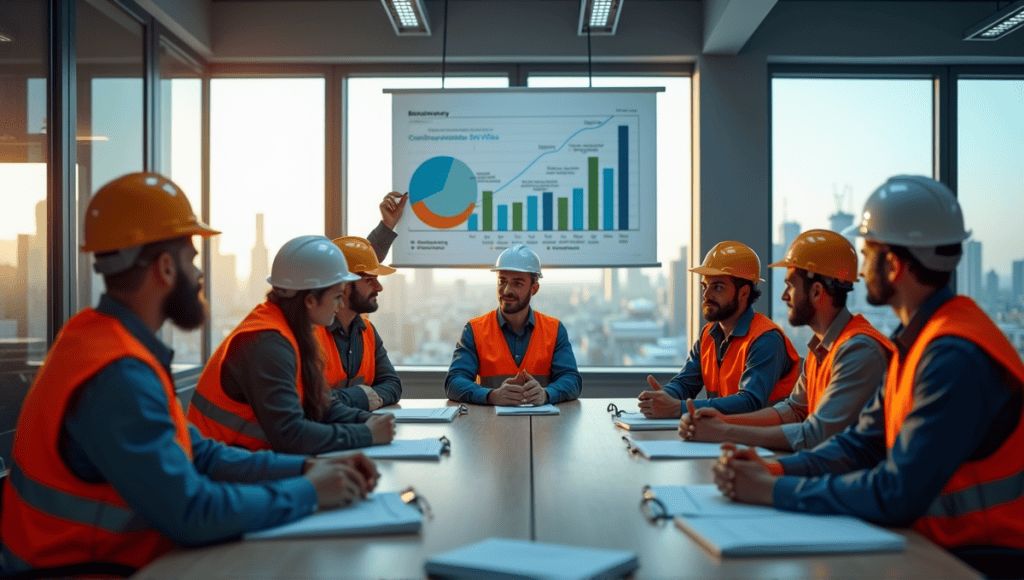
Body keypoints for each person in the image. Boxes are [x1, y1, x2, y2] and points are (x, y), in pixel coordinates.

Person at [0, 173, 378, 576]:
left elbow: (199, 451)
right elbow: (193, 513)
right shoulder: (118, 374)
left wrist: (305, 470)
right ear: (165, 267)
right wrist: (308, 492)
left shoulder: (99, 340)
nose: (199, 275)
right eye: (192, 259)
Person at [713, 176, 1024, 579]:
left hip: (980, 561)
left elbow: (897, 494)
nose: (857, 270)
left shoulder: (953, 357)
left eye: (867, 252)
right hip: (930, 548)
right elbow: (861, 445)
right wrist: (771, 470)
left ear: (893, 266)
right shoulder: (918, 341)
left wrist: (772, 491)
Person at [680, 230, 894, 451]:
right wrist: (723, 421)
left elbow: (815, 435)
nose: (784, 296)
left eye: (790, 286)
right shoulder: (821, 349)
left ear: (817, 292)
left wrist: (724, 432)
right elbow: (793, 411)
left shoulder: (858, 350)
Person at [188, 235, 396, 454]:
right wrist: (367, 434)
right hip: (219, 470)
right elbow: (291, 434)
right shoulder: (267, 343)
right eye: (336, 296)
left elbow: (319, 403)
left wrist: (369, 421)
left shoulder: (293, 332)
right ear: (309, 300)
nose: (341, 303)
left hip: (249, 461)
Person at [638, 241, 800, 419]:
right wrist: (663, 397)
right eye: (705, 286)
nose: (707, 295)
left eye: (718, 287)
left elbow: (750, 402)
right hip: (725, 435)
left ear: (744, 293)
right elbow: (685, 382)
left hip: (767, 442)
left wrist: (679, 408)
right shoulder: (708, 335)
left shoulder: (766, 339)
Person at [445, 244, 582, 405]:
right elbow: (454, 382)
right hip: (489, 427)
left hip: (544, 427)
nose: (507, 290)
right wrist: (491, 395)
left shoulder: (554, 329)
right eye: (502, 281)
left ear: (534, 289)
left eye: (517, 283)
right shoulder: (475, 330)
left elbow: (572, 380)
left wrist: (546, 394)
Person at [317, 236, 402, 411]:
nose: (379, 287)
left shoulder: (367, 331)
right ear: (344, 286)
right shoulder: (311, 334)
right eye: (370, 280)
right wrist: (360, 398)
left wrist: (350, 400)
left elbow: (392, 384)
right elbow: (310, 399)